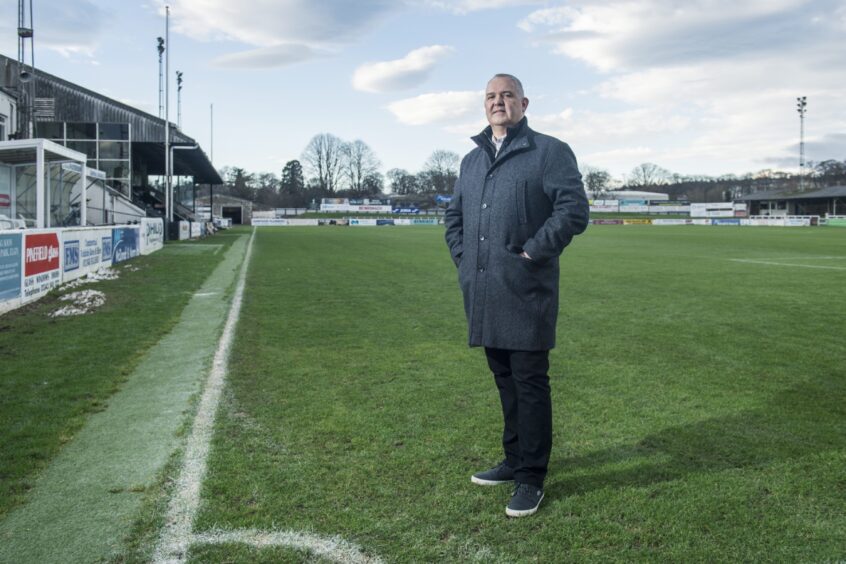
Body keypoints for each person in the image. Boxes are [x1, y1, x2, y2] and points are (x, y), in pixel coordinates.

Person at [444, 74, 589, 517]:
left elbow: (573, 209)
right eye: (490, 96)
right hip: (485, 290)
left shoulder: (549, 151)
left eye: (506, 95)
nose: (498, 101)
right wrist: (466, 261)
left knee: (529, 382)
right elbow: (454, 218)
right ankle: (512, 459)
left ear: (523, 102)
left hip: (527, 291)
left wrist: (531, 252)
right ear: (483, 105)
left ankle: (531, 477)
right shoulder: (472, 160)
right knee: (504, 379)